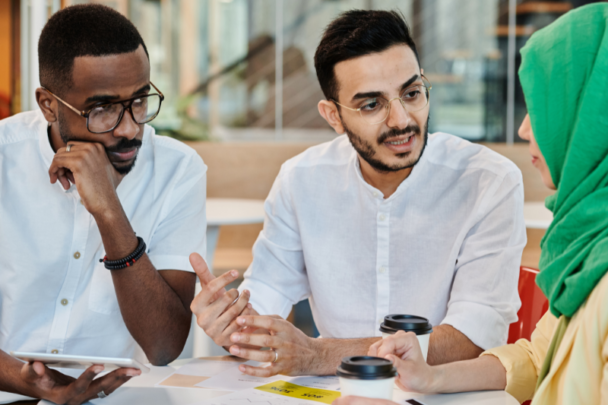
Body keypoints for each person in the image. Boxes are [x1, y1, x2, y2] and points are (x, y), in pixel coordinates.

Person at [190, 10, 526, 377]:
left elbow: (473, 336)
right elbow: (265, 296)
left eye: (412, 94)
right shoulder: (302, 179)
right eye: (371, 105)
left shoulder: (488, 180)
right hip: (336, 396)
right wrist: (234, 326)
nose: (401, 120)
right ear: (333, 116)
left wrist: (322, 355)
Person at [333, 4, 608, 405]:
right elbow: (535, 358)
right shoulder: (588, 241)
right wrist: (429, 378)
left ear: (594, 120)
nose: (523, 127)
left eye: (545, 108)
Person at [0, 5, 211, 404]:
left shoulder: (178, 170)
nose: (131, 128)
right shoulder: (2, 158)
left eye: (140, 100)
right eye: (103, 109)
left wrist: (109, 212)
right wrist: (28, 383)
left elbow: (164, 346)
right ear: (49, 104)